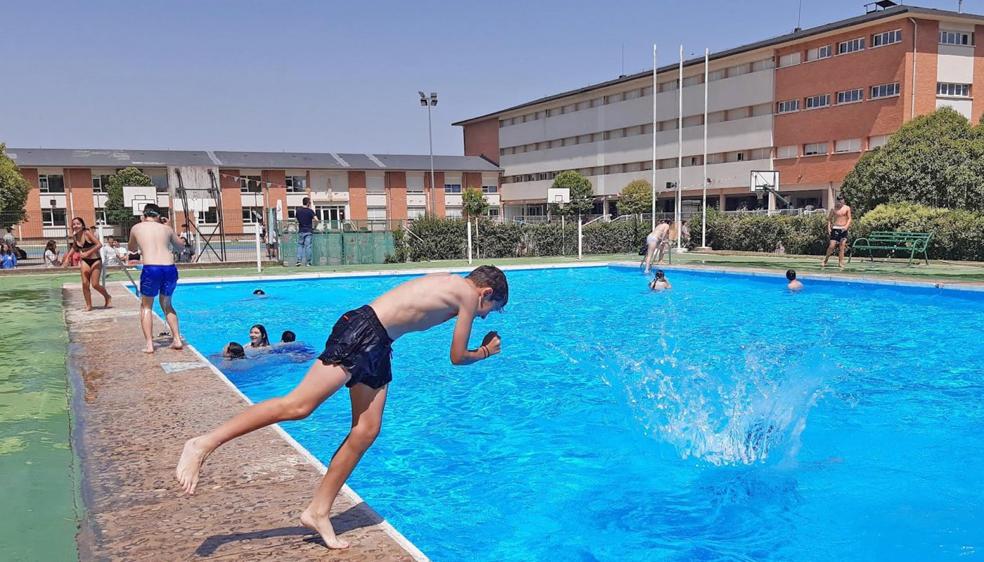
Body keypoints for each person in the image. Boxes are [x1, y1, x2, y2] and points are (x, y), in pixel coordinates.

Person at [176, 265, 508, 549]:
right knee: (298, 406)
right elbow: (457, 356)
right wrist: (488, 351)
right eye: (489, 309)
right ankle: (204, 443)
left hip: (379, 342)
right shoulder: (466, 292)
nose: (483, 316)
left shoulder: (450, 283)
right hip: (363, 333)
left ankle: (317, 511)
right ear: (486, 292)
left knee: (366, 430)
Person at [128, 203, 184, 353]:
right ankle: (177, 339)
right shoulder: (167, 229)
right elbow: (181, 247)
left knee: (146, 306)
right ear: (159, 216)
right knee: (167, 304)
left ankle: (149, 345)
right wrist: (169, 228)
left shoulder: (137, 227)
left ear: (143, 215)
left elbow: (131, 249)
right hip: (169, 268)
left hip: (151, 268)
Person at [64, 217, 112, 311]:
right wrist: (67, 257)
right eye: (74, 224)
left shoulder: (87, 233)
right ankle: (89, 305)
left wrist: (87, 253)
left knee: (95, 284)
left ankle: (107, 297)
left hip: (95, 260)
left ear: (82, 225)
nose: (76, 226)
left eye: (78, 224)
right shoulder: (75, 236)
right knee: (85, 283)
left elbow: (99, 244)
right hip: (85, 261)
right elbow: (74, 247)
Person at [822, 194, 853, 270]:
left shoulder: (847, 208)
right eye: (838, 200)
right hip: (835, 228)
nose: (840, 202)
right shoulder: (834, 208)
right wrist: (829, 228)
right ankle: (825, 260)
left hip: (843, 229)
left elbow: (849, 219)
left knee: (842, 246)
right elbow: (829, 219)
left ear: (843, 201)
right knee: (831, 246)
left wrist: (846, 226)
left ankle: (840, 262)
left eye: (841, 200)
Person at [295, 197, 317, 267]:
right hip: (308, 230)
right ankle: (308, 262)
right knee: (308, 247)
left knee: (300, 246)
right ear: (308, 203)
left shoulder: (298, 211)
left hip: (301, 230)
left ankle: (298, 261)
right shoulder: (310, 211)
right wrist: (315, 227)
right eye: (310, 203)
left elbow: (296, 220)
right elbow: (317, 219)